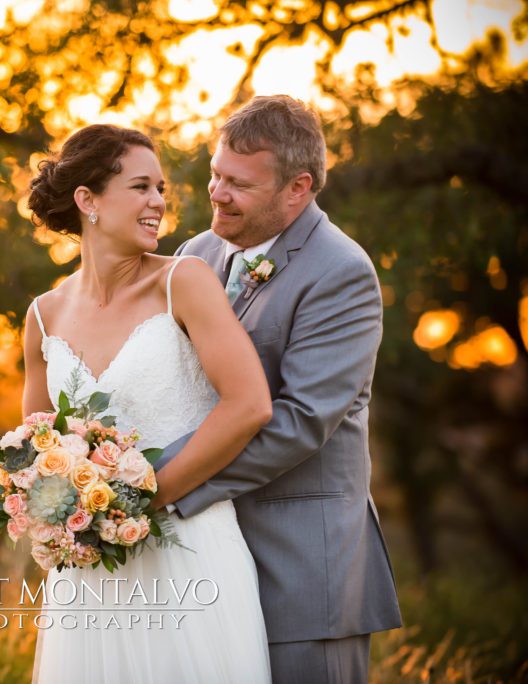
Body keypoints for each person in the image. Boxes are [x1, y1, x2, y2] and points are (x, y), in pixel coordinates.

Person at [155, 95, 402, 683]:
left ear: (297, 188)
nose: (215, 193)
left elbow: (300, 421)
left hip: (301, 569)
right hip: (201, 560)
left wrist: (160, 483)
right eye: (215, 174)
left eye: (238, 184)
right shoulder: (197, 254)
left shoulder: (341, 271)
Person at [22, 124, 272, 682]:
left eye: (160, 188)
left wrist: (142, 503)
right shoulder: (43, 315)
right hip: (90, 571)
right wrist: (65, 512)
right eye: (140, 187)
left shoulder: (184, 281)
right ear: (88, 200)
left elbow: (249, 404)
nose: (158, 202)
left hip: (189, 549)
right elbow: (37, 454)